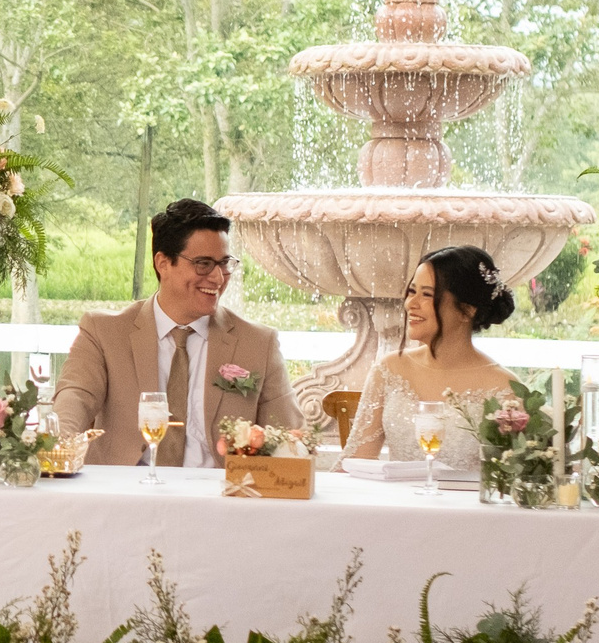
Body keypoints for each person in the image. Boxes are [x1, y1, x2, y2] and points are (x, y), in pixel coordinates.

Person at [51, 199, 302, 467]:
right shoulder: (104, 332)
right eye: (203, 264)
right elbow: (74, 399)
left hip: (223, 497)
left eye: (224, 263)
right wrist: (56, 448)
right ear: (163, 263)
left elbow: (289, 437)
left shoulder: (258, 343)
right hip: (127, 495)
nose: (218, 278)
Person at [340, 244, 519, 470]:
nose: (411, 304)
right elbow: (356, 460)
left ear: (467, 309)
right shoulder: (389, 369)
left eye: (427, 295)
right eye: (412, 291)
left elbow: (514, 477)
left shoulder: (505, 387)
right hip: (394, 504)